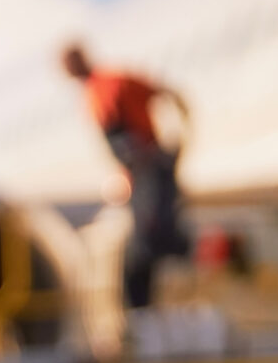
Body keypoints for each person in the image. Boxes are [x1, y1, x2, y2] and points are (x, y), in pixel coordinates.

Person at [62, 43, 192, 312]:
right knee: (152, 234)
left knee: (148, 239)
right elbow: (169, 95)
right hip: (148, 168)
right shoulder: (110, 84)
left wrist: (164, 149)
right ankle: (146, 305)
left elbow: (122, 138)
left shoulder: (104, 89)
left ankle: (142, 307)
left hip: (148, 169)